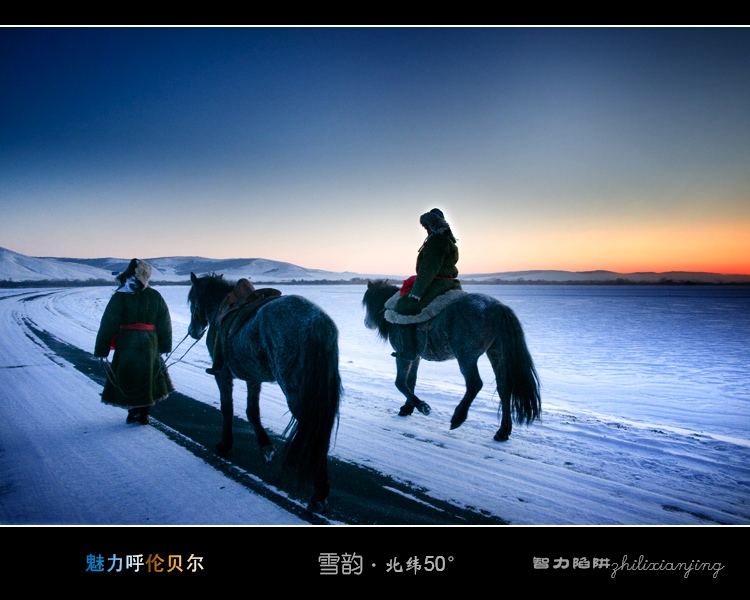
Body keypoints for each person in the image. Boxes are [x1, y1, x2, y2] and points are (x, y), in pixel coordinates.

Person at [94, 258, 174, 424]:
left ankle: (133, 412)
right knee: (148, 377)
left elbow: (109, 322)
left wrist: (102, 348)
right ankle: (144, 413)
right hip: (149, 343)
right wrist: (165, 345)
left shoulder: (120, 295)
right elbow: (164, 322)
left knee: (129, 376)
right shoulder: (155, 295)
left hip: (127, 342)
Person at [392, 208, 462, 360]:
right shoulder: (447, 240)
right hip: (451, 284)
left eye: (427, 226)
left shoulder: (437, 241)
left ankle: (409, 350)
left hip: (437, 283)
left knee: (402, 306)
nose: (425, 229)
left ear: (434, 225)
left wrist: (416, 293)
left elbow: (428, 270)